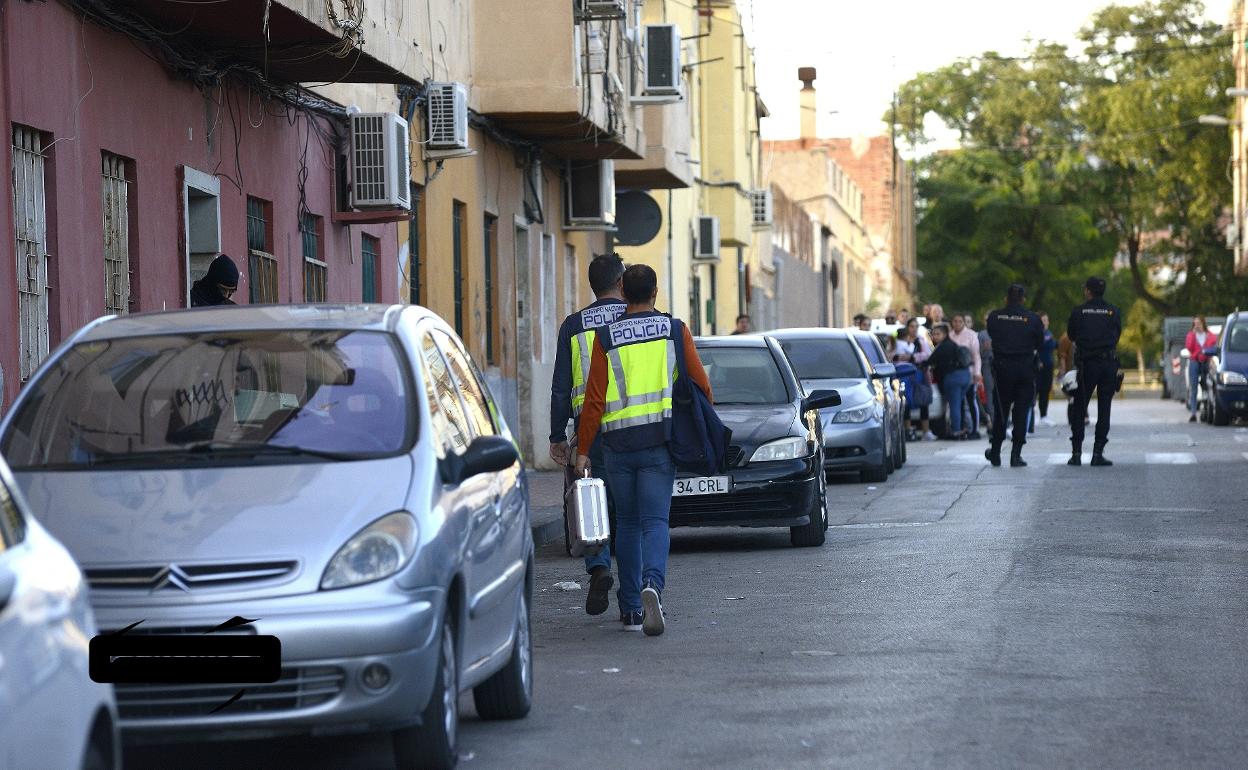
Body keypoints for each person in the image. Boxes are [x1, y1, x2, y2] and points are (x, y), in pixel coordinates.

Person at [575, 264, 711, 636]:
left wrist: (584, 449)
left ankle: (633, 609)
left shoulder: (606, 336)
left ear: (623, 290)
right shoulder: (673, 329)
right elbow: (700, 382)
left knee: (629, 524)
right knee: (655, 522)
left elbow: (594, 399)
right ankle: (654, 585)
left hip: (618, 447)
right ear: (654, 292)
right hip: (658, 444)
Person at [549, 254, 627, 616]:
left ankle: (598, 568)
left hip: (587, 430)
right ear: (621, 281)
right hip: (631, 425)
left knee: (592, 502)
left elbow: (561, 386)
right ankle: (632, 584)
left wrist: (556, 435)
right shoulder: (636, 317)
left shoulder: (573, 324)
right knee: (627, 507)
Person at [984, 284, 1045, 467]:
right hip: (1025, 369)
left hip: (1003, 370)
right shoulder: (1033, 319)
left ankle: (995, 451)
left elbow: (992, 335)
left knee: (1001, 412)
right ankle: (1016, 454)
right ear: (1023, 299)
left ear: (1006, 298)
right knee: (1021, 412)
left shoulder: (995, 317)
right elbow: (1040, 344)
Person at [1066, 276, 1122, 466]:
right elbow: (1116, 336)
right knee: (1104, 409)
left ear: (1088, 291)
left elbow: (1071, 335)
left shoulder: (1079, 311)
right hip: (1107, 365)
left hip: (1086, 365)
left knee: (1080, 408)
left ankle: (1076, 453)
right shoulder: (1113, 311)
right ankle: (1098, 453)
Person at [925, 323, 972, 439]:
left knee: (954, 406)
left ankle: (956, 431)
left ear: (945, 334)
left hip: (953, 378)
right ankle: (964, 428)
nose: (935, 336)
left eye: (938, 334)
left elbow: (929, 361)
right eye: (933, 334)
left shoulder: (942, 347)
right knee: (960, 404)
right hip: (965, 376)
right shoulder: (953, 344)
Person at [948, 313, 983, 440]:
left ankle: (975, 429)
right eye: (955, 321)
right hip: (956, 373)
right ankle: (962, 429)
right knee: (959, 403)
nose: (957, 324)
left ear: (963, 322)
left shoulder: (971, 335)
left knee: (971, 400)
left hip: (969, 371)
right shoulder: (950, 336)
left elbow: (976, 355)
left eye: (959, 321)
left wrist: (977, 373)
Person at [1184, 316, 1218, 422]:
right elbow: (1189, 347)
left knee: (1207, 385)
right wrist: (1193, 335)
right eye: (1195, 324)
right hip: (1195, 360)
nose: (1197, 325)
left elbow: (1214, 348)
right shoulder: (1191, 335)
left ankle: (1207, 409)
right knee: (1194, 387)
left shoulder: (1210, 336)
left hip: (1206, 361)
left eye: (1198, 323)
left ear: (1203, 323)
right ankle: (1193, 413)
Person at [1034, 313, 1057, 429]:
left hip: (1048, 366)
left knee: (1045, 390)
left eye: (1046, 320)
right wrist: (1037, 361)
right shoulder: (1036, 334)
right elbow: (1034, 349)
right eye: (1043, 320)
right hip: (1038, 367)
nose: (1045, 322)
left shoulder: (1050, 334)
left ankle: (1044, 415)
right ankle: (1032, 415)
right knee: (1035, 390)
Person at [978, 313, 995, 432]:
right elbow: (977, 352)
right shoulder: (981, 335)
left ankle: (1002, 418)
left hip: (1000, 364)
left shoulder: (1001, 332)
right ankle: (992, 420)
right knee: (989, 392)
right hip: (986, 364)